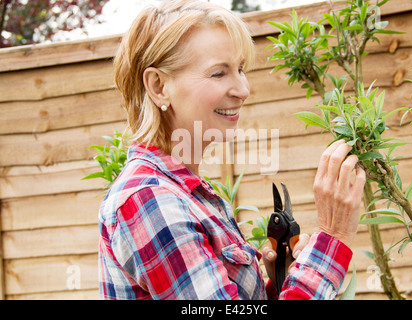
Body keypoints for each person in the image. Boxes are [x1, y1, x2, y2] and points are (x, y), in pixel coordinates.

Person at [98, 0, 366, 300]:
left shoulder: (190, 194)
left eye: (240, 69)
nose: (243, 89)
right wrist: (333, 237)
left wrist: (283, 284)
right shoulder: (149, 200)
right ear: (159, 86)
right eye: (218, 73)